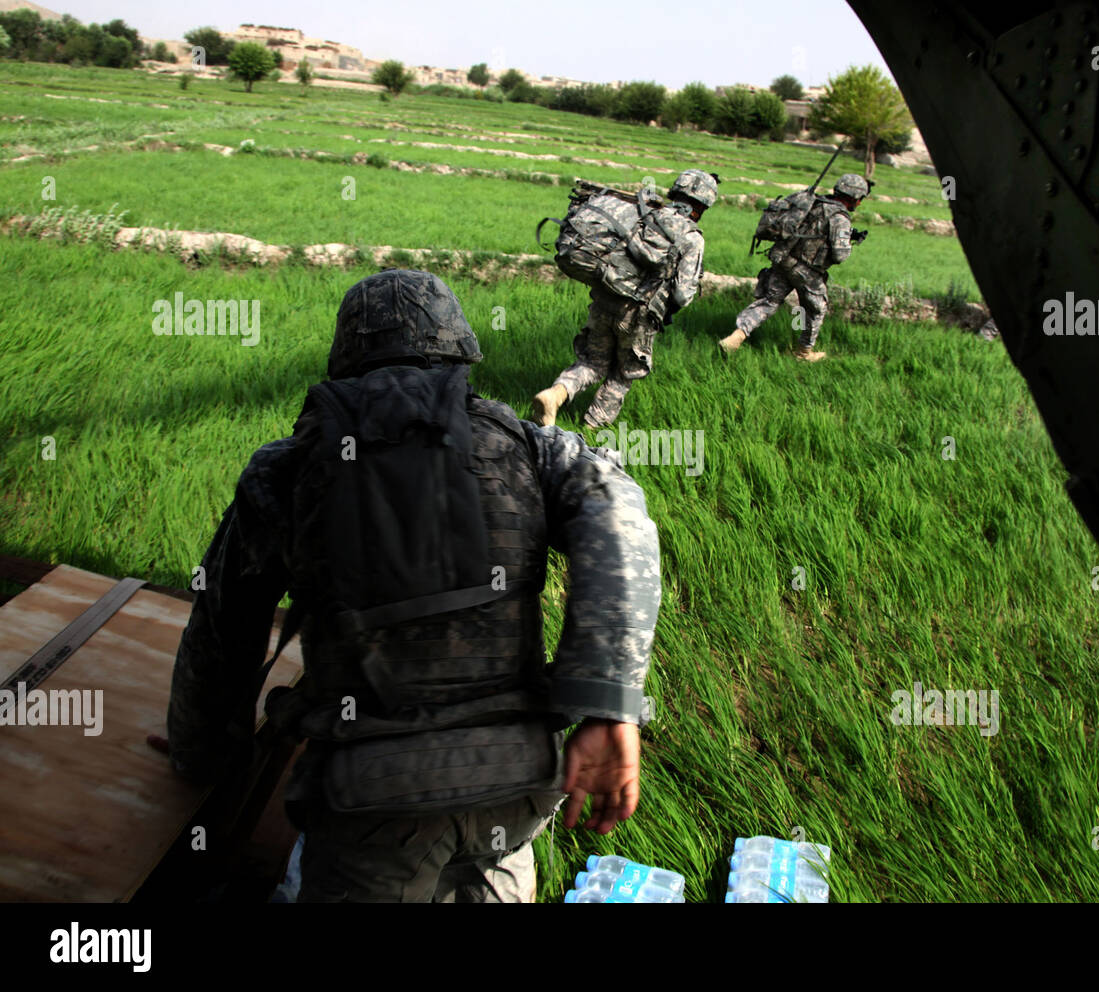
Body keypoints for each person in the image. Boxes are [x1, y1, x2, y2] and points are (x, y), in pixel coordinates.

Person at [159, 269, 661, 902]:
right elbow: (619, 516)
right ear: (458, 348)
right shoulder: (530, 448)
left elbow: (223, 629)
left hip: (371, 801)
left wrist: (197, 754)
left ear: (348, 356)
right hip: (516, 781)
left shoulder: (287, 469)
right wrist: (608, 704)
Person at [532, 169, 716, 428]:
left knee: (593, 362)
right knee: (625, 372)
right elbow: (683, 295)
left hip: (606, 297)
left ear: (676, 193)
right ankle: (591, 429)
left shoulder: (646, 214)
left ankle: (555, 394)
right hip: (637, 314)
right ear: (703, 205)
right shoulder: (692, 237)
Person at [719, 173, 873, 361]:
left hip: (783, 259)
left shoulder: (813, 202)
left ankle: (735, 338)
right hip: (806, 271)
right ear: (854, 198)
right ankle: (802, 353)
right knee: (816, 309)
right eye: (860, 199)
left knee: (770, 301)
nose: (859, 204)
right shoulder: (839, 217)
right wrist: (848, 241)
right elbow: (840, 255)